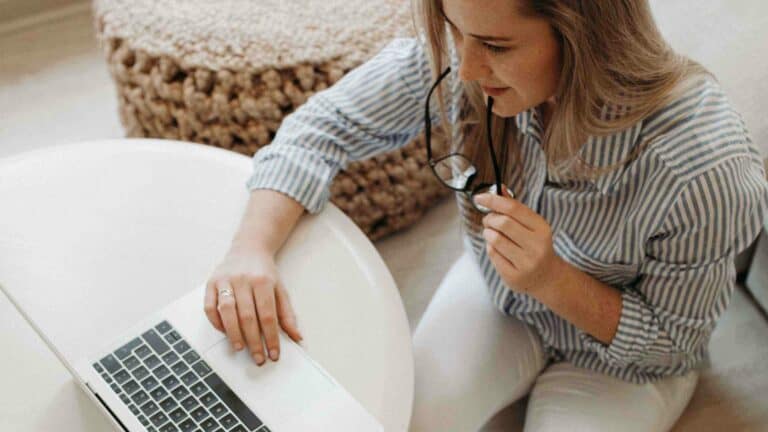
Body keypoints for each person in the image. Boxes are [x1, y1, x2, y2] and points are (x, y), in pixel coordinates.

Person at [203, 0, 768, 430]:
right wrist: (250, 249)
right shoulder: (464, 55)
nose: (468, 67)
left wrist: (553, 280)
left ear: (585, 37)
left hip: (624, 363)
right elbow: (320, 128)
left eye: (497, 46)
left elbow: (672, 341)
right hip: (497, 294)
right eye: (456, 33)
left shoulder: (706, 170)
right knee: (402, 415)